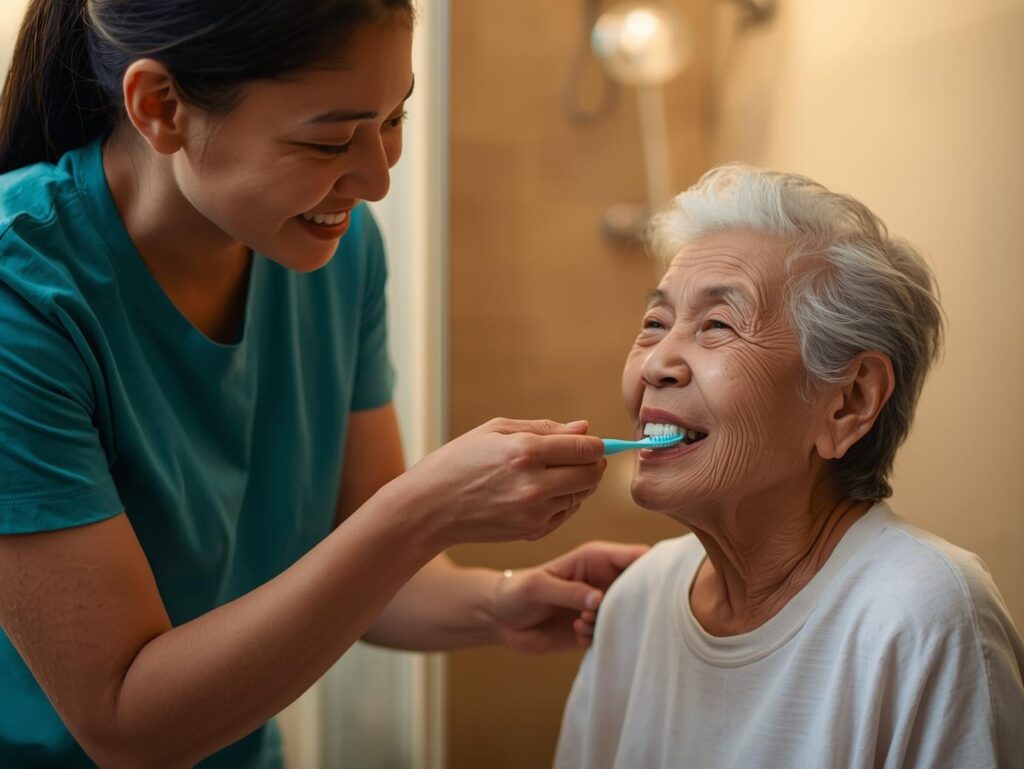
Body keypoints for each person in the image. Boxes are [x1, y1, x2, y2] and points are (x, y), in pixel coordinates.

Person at [0, 1, 649, 766]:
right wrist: (425, 508)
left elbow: (364, 573)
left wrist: (498, 599)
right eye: (330, 139)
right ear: (160, 107)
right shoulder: (23, 300)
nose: (376, 179)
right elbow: (124, 723)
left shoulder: (336, 251)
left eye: (394, 119)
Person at [554, 165, 1024, 768]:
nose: (656, 364)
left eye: (718, 325)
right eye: (654, 324)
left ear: (847, 403)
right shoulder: (635, 602)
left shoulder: (925, 614)